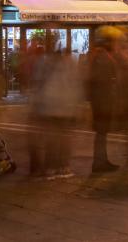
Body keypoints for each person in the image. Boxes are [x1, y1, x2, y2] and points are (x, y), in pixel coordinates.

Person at [29, 39, 83, 179]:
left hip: (49, 108)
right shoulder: (69, 65)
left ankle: (51, 168)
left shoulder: (44, 62)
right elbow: (75, 87)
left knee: (52, 139)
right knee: (63, 139)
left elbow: (37, 83)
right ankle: (63, 167)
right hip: (64, 108)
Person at [87, 26, 123, 173]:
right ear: (108, 42)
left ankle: (102, 160)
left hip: (102, 102)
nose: (117, 44)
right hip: (102, 103)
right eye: (115, 41)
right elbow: (102, 83)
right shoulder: (103, 58)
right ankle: (99, 163)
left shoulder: (102, 56)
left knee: (102, 133)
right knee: (101, 133)